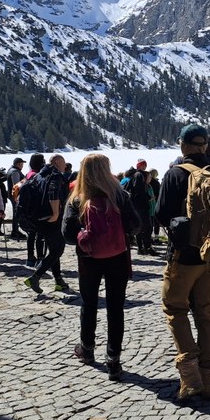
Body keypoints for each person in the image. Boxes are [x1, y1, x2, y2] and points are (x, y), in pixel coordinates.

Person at [154, 124, 210, 401]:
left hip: (184, 256)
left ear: (183, 145)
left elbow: (160, 214)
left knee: (175, 308)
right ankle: (209, 380)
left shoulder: (175, 174)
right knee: (207, 314)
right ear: (204, 146)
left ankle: (190, 374)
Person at [62, 154, 140, 382]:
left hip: (88, 259)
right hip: (117, 256)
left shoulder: (76, 199)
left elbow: (66, 236)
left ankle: (87, 349)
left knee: (89, 303)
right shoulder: (119, 196)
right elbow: (136, 226)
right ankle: (113, 360)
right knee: (116, 308)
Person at [24, 154, 69, 294]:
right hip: (52, 218)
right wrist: (56, 213)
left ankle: (58, 281)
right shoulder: (55, 175)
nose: (65, 165)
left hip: (39, 218)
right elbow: (53, 192)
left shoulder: (39, 175)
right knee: (58, 249)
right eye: (63, 162)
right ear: (56, 162)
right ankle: (35, 277)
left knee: (53, 249)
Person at [23, 154, 46, 268]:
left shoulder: (28, 174)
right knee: (39, 235)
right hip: (37, 208)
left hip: (28, 210)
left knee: (31, 235)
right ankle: (40, 258)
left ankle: (30, 257)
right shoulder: (37, 175)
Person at [6, 158, 26, 239]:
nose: (22, 165)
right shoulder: (15, 172)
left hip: (13, 195)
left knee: (16, 213)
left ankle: (15, 230)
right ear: (18, 164)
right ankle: (15, 231)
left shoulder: (11, 170)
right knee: (16, 213)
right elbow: (16, 185)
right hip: (15, 196)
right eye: (21, 163)